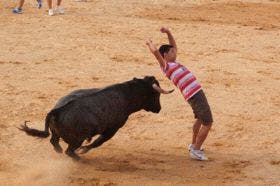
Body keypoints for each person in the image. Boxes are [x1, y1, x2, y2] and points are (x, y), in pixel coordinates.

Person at [146, 27, 213, 161]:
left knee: (200, 119)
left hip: (194, 94)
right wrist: (149, 43)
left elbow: (173, 45)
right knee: (208, 122)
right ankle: (196, 150)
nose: (175, 52)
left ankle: (194, 144)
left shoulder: (173, 63)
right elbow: (155, 52)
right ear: (165, 55)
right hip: (194, 94)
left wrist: (169, 33)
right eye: (171, 51)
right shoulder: (166, 66)